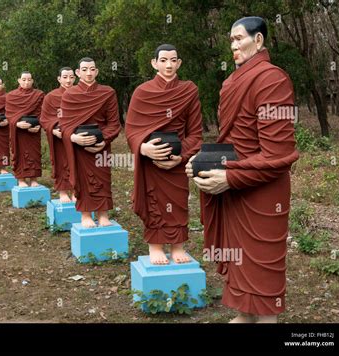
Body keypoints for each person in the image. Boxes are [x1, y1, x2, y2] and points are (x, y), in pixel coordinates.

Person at [186, 16, 299, 323]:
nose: (233, 46)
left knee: (262, 264)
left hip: (263, 193)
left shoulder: (273, 79)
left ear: (259, 40)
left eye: (239, 39)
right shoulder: (231, 82)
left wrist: (231, 176)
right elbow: (232, 142)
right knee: (239, 261)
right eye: (231, 40)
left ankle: (264, 320)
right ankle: (244, 315)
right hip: (234, 188)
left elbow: (279, 153)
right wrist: (202, 164)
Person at [125, 44, 203, 265]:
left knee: (178, 202)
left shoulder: (188, 90)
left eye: (173, 60)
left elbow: (196, 133)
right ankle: (155, 245)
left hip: (176, 160)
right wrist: (143, 148)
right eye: (164, 60)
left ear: (179, 63)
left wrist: (183, 155)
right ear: (154, 63)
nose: (169, 65)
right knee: (154, 202)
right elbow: (131, 130)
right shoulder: (142, 92)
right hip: (151, 161)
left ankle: (178, 246)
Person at [60, 57, 121, 227]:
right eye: (85, 69)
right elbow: (64, 125)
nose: (89, 73)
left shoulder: (107, 92)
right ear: (78, 73)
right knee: (82, 179)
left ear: (97, 71)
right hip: (79, 147)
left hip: (101, 145)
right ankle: (85, 215)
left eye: (92, 69)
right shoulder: (70, 95)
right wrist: (73, 137)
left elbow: (114, 124)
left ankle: (103, 214)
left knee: (103, 180)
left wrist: (104, 139)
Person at [40, 67, 76, 202]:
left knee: (77, 163)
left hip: (76, 137)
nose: (68, 80)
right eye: (65, 77)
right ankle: (62, 191)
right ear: (59, 79)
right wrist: (53, 130)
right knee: (62, 163)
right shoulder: (51, 97)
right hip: (59, 138)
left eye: (71, 77)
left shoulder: (80, 95)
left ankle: (75, 191)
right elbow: (44, 119)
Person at [6, 71, 45, 187]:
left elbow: (42, 113)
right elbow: (9, 115)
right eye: (24, 80)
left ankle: (34, 179)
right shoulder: (11, 96)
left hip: (33, 131)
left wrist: (39, 125)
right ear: (19, 80)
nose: (26, 82)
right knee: (19, 153)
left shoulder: (39, 95)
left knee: (34, 154)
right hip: (18, 132)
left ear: (32, 81)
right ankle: (21, 179)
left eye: (29, 80)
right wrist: (16, 124)